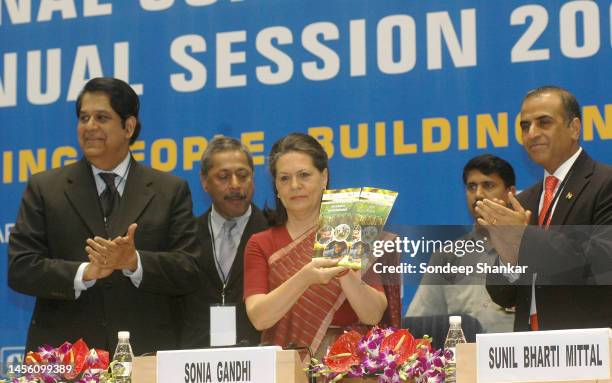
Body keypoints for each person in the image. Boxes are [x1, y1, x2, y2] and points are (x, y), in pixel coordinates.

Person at [8, 77, 201, 355]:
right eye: (84, 118)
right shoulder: (45, 188)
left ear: (128, 126)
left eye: (101, 117)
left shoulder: (169, 190)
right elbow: (21, 268)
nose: (89, 127)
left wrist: (133, 262)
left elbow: (189, 269)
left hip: (144, 354)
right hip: (64, 356)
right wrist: (84, 272)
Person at [243, 133, 388, 356]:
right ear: (276, 188)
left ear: (324, 178)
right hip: (285, 364)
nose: (294, 185)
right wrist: (306, 277)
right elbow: (259, 318)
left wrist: (343, 269)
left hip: (347, 364)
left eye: (304, 175)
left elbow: (373, 315)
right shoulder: (260, 243)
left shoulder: (351, 230)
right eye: (284, 178)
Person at [480, 86, 612, 331]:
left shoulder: (605, 184)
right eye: (525, 126)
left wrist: (524, 238)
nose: (532, 133)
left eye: (544, 122)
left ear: (574, 127)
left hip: (589, 350)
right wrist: (509, 259)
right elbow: (503, 295)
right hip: (528, 350)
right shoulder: (524, 200)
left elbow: (601, 264)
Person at [405, 154, 515, 334]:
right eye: (472, 187)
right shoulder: (447, 257)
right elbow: (418, 326)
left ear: (510, 193)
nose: (478, 194)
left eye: (488, 185)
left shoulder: (527, 248)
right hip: (463, 360)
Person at [181, 136, 267, 348]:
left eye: (242, 175)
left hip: (258, 355)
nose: (235, 185)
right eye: (223, 177)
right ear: (204, 181)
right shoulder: (186, 235)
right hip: (197, 362)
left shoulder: (271, 230)